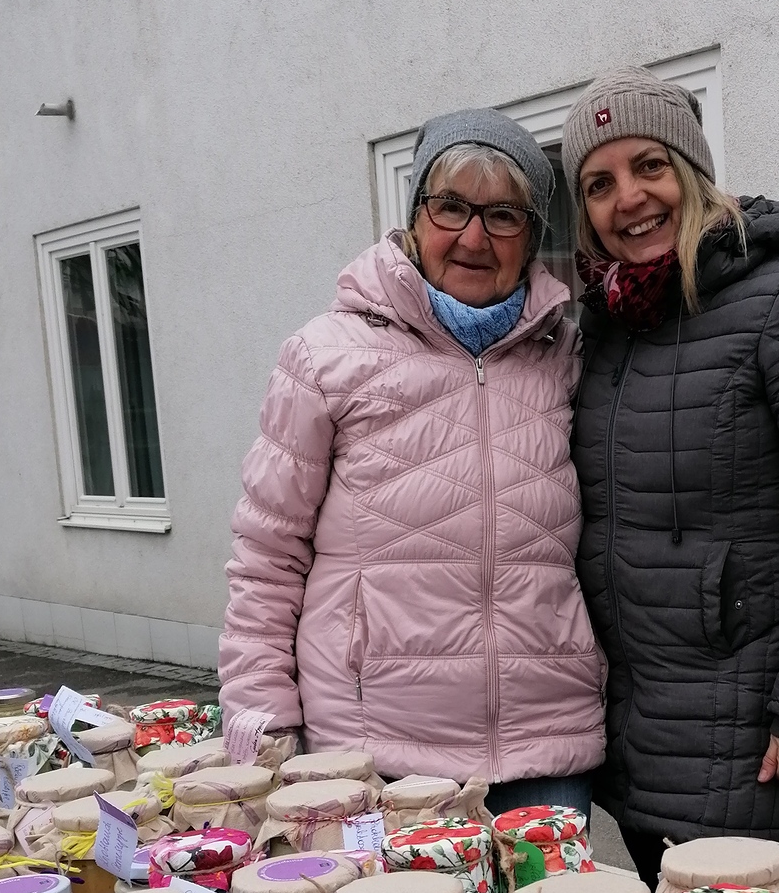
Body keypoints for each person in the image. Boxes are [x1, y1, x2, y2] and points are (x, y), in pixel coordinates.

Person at [563, 68, 779, 886]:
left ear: (691, 169)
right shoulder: (609, 325)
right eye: (599, 183)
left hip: (744, 725)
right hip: (637, 726)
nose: (629, 198)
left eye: (650, 165)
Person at [219, 107, 605, 815]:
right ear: (416, 217)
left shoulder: (565, 358)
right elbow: (268, 553)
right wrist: (260, 714)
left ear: (531, 237)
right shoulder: (325, 357)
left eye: (503, 216)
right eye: (450, 206)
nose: (473, 237)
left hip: (543, 747)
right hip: (378, 752)